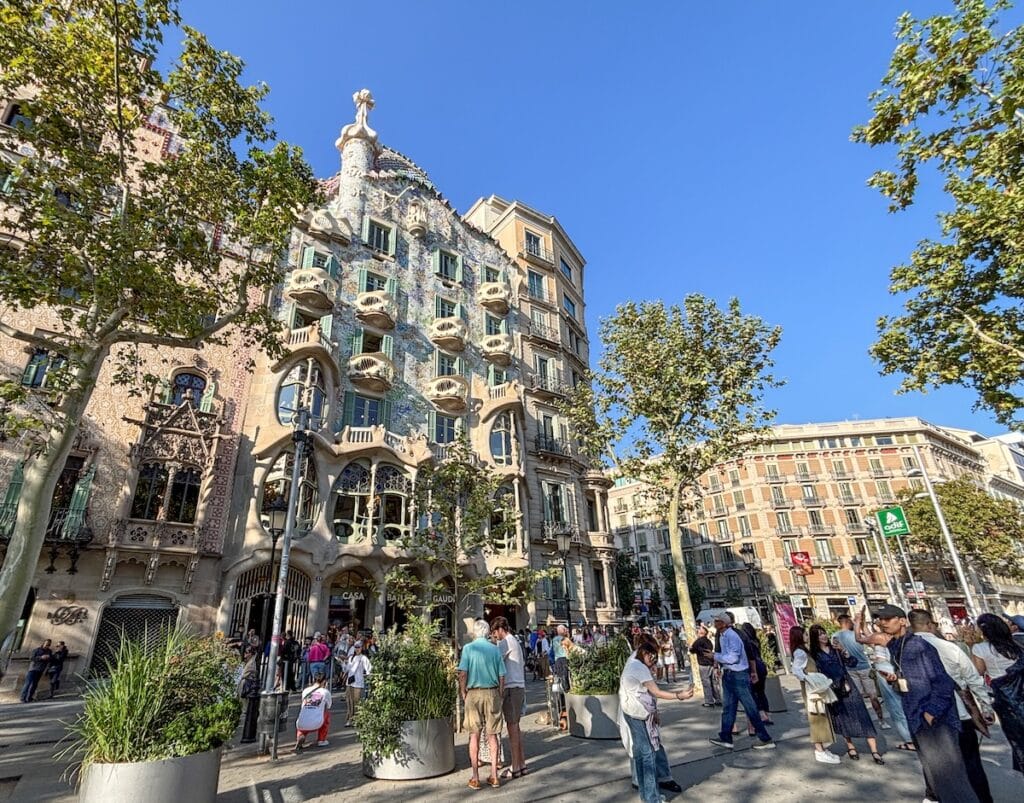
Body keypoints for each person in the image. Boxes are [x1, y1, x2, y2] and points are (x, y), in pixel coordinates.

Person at [875, 604, 979, 802]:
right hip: (917, 716)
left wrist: (931, 712)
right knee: (936, 776)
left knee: (950, 777)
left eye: (887, 619)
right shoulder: (898, 646)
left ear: (902, 621)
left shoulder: (918, 646)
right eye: (880, 619)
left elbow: (943, 682)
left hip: (934, 720)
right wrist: (895, 680)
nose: (882, 623)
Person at [909, 609, 994, 803]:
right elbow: (973, 679)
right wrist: (986, 708)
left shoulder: (906, 650)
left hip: (926, 716)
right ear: (930, 624)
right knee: (971, 763)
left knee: (937, 765)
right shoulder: (949, 648)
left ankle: (939, 797)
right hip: (959, 713)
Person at [619, 639, 692, 803]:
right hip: (638, 714)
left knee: (640, 753)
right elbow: (656, 692)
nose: (653, 661)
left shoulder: (633, 662)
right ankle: (652, 798)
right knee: (648, 754)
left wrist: (655, 711)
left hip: (631, 712)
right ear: (644, 652)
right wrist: (679, 695)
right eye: (651, 657)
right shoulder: (639, 667)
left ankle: (647, 795)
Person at [808, 624, 883, 764]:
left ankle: (875, 751)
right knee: (843, 718)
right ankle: (850, 747)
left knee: (862, 714)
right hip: (832, 688)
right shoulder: (815, 655)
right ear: (814, 638)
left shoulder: (835, 649)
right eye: (819, 635)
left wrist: (844, 651)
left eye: (823, 633)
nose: (823, 636)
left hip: (847, 684)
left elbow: (852, 663)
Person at [708, 613, 775, 751]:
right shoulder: (722, 635)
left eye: (717, 621)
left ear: (724, 623)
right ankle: (726, 737)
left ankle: (765, 738)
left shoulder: (733, 636)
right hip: (730, 674)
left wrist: (715, 656)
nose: (714, 623)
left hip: (738, 675)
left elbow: (733, 658)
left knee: (750, 707)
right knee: (729, 707)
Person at [973, 613, 1024, 778]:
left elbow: (978, 675)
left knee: (1018, 739)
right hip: (1021, 693)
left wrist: (985, 707)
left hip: (1006, 700)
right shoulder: (1016, 644)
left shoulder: (980, 649)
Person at [458, 619, 506, 790]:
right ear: (487, 632)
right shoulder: (495, 649)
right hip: (492, 692)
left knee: (474, 734)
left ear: (475, 632)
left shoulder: (468, 648)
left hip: (474, 692)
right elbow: (502, 675)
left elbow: (463, 673)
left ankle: (475, 776)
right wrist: (500, 692)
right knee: (493, 734)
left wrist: (463, 692)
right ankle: (494, 775)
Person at [790, 626, 838, 764]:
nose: (807, 636)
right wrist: (809, 678)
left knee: (820, 715)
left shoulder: (803, 650)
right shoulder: (800, 652)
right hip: (811, 688)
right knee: (816, 716)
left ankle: (822, 747)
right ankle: (819, 750)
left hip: (813, 687)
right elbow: (796, 670)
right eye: (805, 634)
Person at [833, 613, 888, 729]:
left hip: (849, 670)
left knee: (858, 697)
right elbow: (872, 644)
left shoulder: (835, 636)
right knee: (873, 696)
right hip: (864, 667)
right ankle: (882, 721)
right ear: (847, 622)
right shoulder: (856, 634)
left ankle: (862, 721)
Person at [491, 616, 528, 779]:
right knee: (516, 728)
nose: (494, 636)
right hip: (518, 686)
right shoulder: (515, 641)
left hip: (511, 688)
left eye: (494, 632)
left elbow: (494, 661)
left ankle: (515, 767)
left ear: (500, 629)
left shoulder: (505, 642)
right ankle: (521, 763)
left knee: (512, 729)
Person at [740, 622, 773, 731]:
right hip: (761, 666)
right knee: (761, 692)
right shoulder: (756, 641)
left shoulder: (746, 643)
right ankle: (767, 714)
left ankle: (761, 713)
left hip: (753, 668)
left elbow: (749, 658)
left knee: (753, 692)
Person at [972, 612, 1020, 682]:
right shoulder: (1013, 641)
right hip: (1020, 681)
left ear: (982, 631)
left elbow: (980, 671)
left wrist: (970, 646)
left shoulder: (979, 648)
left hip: (1001, 685)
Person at [294, 672, 332, 751]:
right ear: (324, 681)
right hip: (317, 723)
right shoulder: (325, 692)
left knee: (305, 713)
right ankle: (321, 740)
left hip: (301, 723)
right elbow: (329, 706)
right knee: (326, 714)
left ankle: (300, 735)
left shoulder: (306, 690)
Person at [689, 624, 722, 707]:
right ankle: (718, 699)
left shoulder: (698, 641)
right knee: (714, 682)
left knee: (706, 682)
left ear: (702, 632)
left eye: (699, 629)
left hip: (703, 664)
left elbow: (692, 649)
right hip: (711, 663)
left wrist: (692, 649)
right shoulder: (708, 641)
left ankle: (709, 701)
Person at [344, 640, 371, 727]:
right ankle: (350, 719)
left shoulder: (363, 658)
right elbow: (347, 669)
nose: (357, 649)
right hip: (350, 681)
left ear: (362, 648)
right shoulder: (351, 657)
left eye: (358, 647)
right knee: (349, 701)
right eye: (356, 647)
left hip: (358, 682)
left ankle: (357, 719)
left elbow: (368, 669)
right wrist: (343, 663)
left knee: (356, 701)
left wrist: (369, 676)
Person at [238, 645, 261, 743]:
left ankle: (249, 734)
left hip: (248, 686)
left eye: (247, 653)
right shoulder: (250, 662)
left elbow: (245, 674)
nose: (245, 655)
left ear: (251, 653)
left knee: (246, 706)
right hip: (247, 686)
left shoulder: (252, 663)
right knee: (245, 705)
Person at [20, 639, 52, 703]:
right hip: (33, 669)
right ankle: (23, 698)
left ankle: (29, 697)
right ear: (43, 643)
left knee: (34, 684)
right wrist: (41, 657)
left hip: (40, 670)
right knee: (28, 683)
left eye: (49, 645)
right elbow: (31, 658)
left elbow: (50, 660)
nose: (47, 646)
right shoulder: (37, 650)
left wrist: (48, 658)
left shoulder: (49, 651)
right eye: (46, 644)